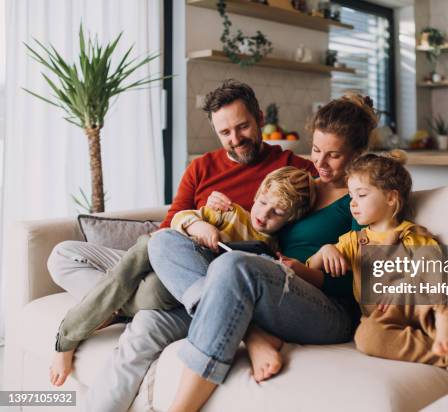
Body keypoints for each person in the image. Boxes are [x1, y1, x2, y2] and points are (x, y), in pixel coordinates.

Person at [46, 79, 315, 408]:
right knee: (64, 254)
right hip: (173, 262)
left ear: (259, 118)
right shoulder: (201, 167)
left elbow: (321, 215)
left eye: (243, 127)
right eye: (225, 132)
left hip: (216, 286)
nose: (235, 139)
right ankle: (116, 305)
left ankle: (113, 306)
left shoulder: (294, 171)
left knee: (140, 334)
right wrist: (197, 221)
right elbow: (165, 232)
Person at [146, 93, 377, 411]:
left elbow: (367, 281)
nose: (319, 164)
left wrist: (309, 268)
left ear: (357, 153)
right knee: (163, 242)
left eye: (333, 156)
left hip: (329, 310)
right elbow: (263, 228)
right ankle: (252, 333)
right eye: (316, 150)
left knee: (234, 265)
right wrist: (216, 216)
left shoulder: (361, 198)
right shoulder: (302, 184)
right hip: (273, 285)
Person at [49, 166, 315, 386]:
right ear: (257, 195)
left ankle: (77, 329)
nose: (264, 214)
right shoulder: (230, 213)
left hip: (176, 286)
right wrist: (200, 224)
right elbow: (180, 218)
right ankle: (103, 312)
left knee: (152, 286)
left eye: (277, 213)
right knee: (69, 254)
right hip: (158, 254)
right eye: (263, 203)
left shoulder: (271, 252)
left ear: (292, 218)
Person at [308, 152, 448, 376]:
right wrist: (325, 250)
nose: (353, 204)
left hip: (422, 305)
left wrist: (403, 285)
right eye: (351, 197)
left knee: (434, 264)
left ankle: (447, 324)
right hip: (384, 316)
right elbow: (311, 268)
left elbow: (435, 273)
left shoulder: (411, 234)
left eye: (361, 195)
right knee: (365, 336)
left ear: (391, 198)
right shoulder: (353, 242)